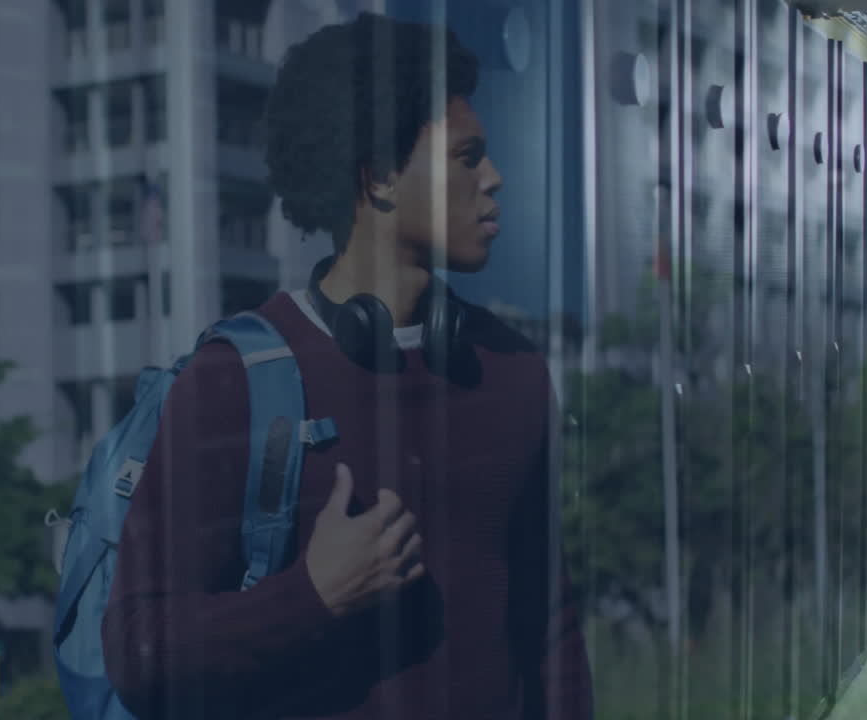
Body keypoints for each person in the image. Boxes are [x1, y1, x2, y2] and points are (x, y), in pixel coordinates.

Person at [101, 11, 592, 719]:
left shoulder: (512, 372)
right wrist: (312, 596)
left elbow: (551, 628)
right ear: (382, 179)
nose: (495, 178)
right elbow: (136, 650)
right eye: (467, 156)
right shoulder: (233, 381)